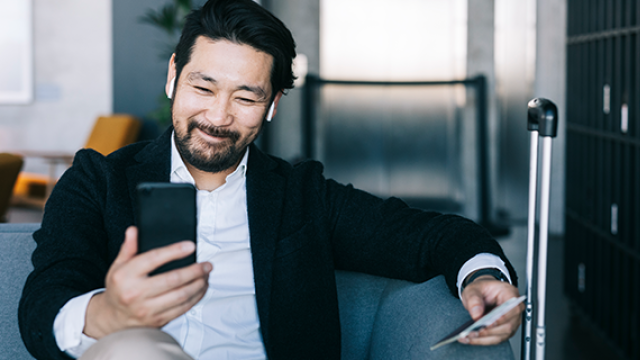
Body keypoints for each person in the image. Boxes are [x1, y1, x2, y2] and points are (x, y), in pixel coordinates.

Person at [19, 0, 524, 359]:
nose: (217, 117)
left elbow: (435, 236)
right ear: (174, 75)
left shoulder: (302, 196)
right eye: (203, 86)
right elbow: (44, 303)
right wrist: (110, 313)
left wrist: (484, 276)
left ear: (273, 104)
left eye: (246, 97)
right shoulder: (98, 181)